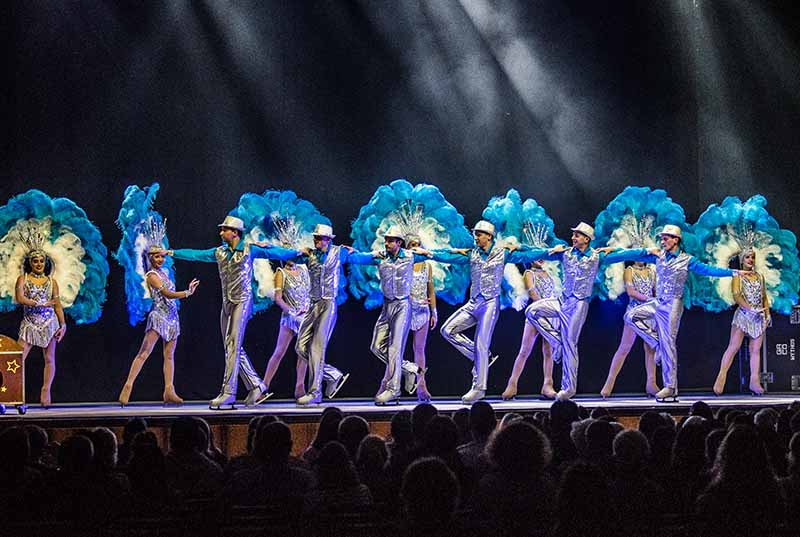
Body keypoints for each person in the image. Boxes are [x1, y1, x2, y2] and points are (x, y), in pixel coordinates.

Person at [168, 215, 299, 409]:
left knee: (232, 345)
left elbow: (277, 254)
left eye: (224, 230)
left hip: (242, 302)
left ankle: (228, 392)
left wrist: (299, 252)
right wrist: (171, 252)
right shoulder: (220, 252)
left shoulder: (250, 249)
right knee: (231, 346)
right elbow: (196, 254)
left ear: (235, 232)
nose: (221, 233)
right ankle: (256, 385)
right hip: (227, 303)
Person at [523, 222, 642, 400]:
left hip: (579, 303)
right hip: (562, 300)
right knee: (532, 312)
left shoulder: (597, 256)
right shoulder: (564, 253)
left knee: (570, 342)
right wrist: (518, 247)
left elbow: (625, 254)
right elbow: (538, 252)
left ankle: (568, 388)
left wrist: (647, 252)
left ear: (586, 239)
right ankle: (556, 341)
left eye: (577, 235)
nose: (573, 238)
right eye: (573, 235)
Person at [429, 220, 545, 404]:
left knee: (481, 342)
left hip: (490, 304)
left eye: (479, 234)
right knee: (447, 330)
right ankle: (482, 357)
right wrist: (428, 253)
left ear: (489, 236)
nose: (475, 237)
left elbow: (529, 254)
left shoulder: (502, 252)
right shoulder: (471, 253)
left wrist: (522, 245)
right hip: (474, 303)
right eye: (475, 233)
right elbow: (447, 256)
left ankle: (479, 388)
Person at [624, 225, 740, 401]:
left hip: (673, 304)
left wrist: (733, 272)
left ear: (675, 240)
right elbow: (633, 255)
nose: (662, 242)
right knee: (631, 316)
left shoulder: (687, 260)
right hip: (658, 302)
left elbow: (708, 270)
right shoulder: (658, 256)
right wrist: (613, 251)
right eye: (661, 239)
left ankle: (670, 387)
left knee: (669, 342)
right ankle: (656, 344)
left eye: (665, 238)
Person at [347, 227, 431, 405]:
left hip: (403, 305)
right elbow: (361, 257)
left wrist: (456, 252)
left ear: (399, 243)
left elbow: (436, 254)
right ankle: (408, 368)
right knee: (376, 346)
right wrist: (349, 254)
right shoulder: (380, 256)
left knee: (395, 347)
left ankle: (393, 389)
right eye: (386, 240)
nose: (386, 243)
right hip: (387, 306)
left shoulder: (410, 256)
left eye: (391, 240)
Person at [118, 244, 200, 406]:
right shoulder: (151, 275)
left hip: (172, 317)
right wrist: (187, 293)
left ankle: (169, 390)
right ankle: (127, 387)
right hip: (159, 317)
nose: (160, 259)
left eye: (162, 256)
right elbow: (167, 295)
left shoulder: (166, 272)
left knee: (169, 355)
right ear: (150, 258)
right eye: (156, 256)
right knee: (144, 352)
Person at [260, 255, 345, 399]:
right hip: (290, 317)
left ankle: (300, 388)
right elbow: (278, 298)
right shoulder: (281, 272)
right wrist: (292, 312)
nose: (291, 258)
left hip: (307, 316)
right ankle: (263, 387)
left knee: (303, 353)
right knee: (279, 352)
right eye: (288, 255)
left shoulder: (305, 268)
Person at [293, 224, 359, 406]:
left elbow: (361, 258)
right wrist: (264, 249)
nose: (316, 241)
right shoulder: (310, 254)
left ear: (328, 239)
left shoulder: (339, 252)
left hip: (328, 304)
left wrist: (376, 255)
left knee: (316, 347)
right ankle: (331, 374)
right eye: (315, 238)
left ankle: (315, 392)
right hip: (313, 304)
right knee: (300, 347)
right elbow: (285, 255)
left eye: (320, 238)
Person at [712, 248, 770, 395]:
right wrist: (750, 309)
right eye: (747, 258)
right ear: (742, 260)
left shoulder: (759, 276)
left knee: (755, 350)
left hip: (758, 317)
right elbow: (737, 295)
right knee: (733, 347)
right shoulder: (738, 276)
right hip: (743, 315)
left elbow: (763, 296)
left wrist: (767, 314)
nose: (751, 260)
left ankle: (754, 381)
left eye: (752, 257)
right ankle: (721, 376)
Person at [15, 243, 66, 408]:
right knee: (17, 359)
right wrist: (39, 304)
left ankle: (46, 391)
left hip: (49, 323)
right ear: (30, 263)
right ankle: (15, 394)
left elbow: (57, 305)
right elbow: (20, 298)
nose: (38, 264)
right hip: (29, 323)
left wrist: (63, 325)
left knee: (49, 358)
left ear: (46, 262)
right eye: (35, 261)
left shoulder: (52, 282)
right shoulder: (23, 279)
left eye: (41, 261)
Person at [600, 261, 659, 398]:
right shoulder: (629, 270)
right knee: (625, 347)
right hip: (634, 312)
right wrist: (650, 300)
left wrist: (657, 302)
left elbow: (655, 291)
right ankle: (609, 383)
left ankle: (651, 384)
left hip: (650, 313)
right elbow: (631, 292)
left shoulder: (652, 271)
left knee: (651, 348)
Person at [502, 259, 558, 399]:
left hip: (550, 315)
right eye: (536, 256)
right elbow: (533, 294)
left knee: (548, 351)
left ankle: (548, 385)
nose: (540, 259)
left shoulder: (549, 273)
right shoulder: (529, 273)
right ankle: (512, 384)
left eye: (542, 255)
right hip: (536, 314)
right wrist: (543, 309)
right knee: (525, 350)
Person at [405, 235, 437, 402]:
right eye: (412, 245)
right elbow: (402, 290)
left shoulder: (427, 266)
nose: (416, 247)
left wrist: (434, 311)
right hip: (405, 311)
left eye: (418, 244)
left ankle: (421, 387)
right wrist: (415, 302)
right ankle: (388, 385)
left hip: (423, 312)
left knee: (419, 349)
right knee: (396, 351)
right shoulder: (403, 265)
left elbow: (430, 290)